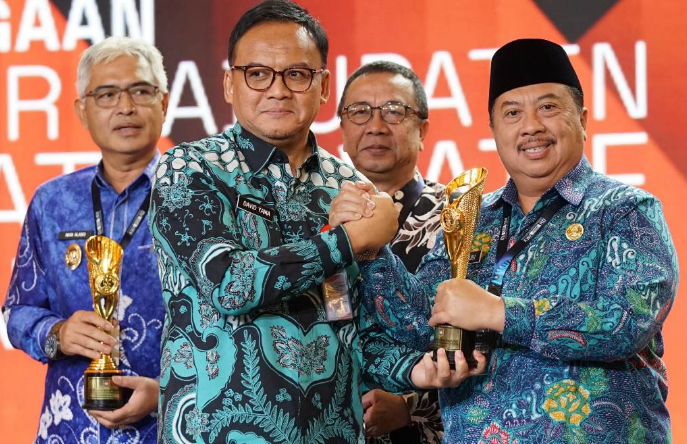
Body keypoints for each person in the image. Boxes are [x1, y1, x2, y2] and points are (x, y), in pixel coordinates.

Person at [148, 2, 472, 443]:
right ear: (228, 84)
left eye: (297, 74)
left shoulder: (348, 185)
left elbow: (349, 322)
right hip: (216, 431)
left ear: (323, 87)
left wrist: (415, 369)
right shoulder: (190, 167)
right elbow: (229, 284)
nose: (278, 90)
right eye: (258, 73)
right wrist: (348, 240)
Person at [357, 38, 679, 443]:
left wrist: (500, 313)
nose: (531, 126)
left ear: (582, 119)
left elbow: (627, 322)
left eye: (548, 107)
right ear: (494, 129)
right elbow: (418, 324)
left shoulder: (624, 209)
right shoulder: (471, 219)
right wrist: (371, 248)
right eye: (512, 112)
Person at [2, 36, 169, 444]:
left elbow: (234, 326)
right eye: (107, 94)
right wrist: (57, 332)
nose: (125, 107)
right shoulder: (52, 202)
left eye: (140, 91)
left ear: (164, 103)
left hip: (172, 428)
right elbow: (17, 311)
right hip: (70, 429)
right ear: (82, 110)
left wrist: (169, 392)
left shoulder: (198, 199)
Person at [338, 61, 444, 444]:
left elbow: (472, 343)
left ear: (423, 130)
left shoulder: (460, 218)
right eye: (360, 112)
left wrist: (410, 405)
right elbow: (328, 319)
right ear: (342, 128)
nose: (376, 126)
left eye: (394, 111)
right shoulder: (324, 220)